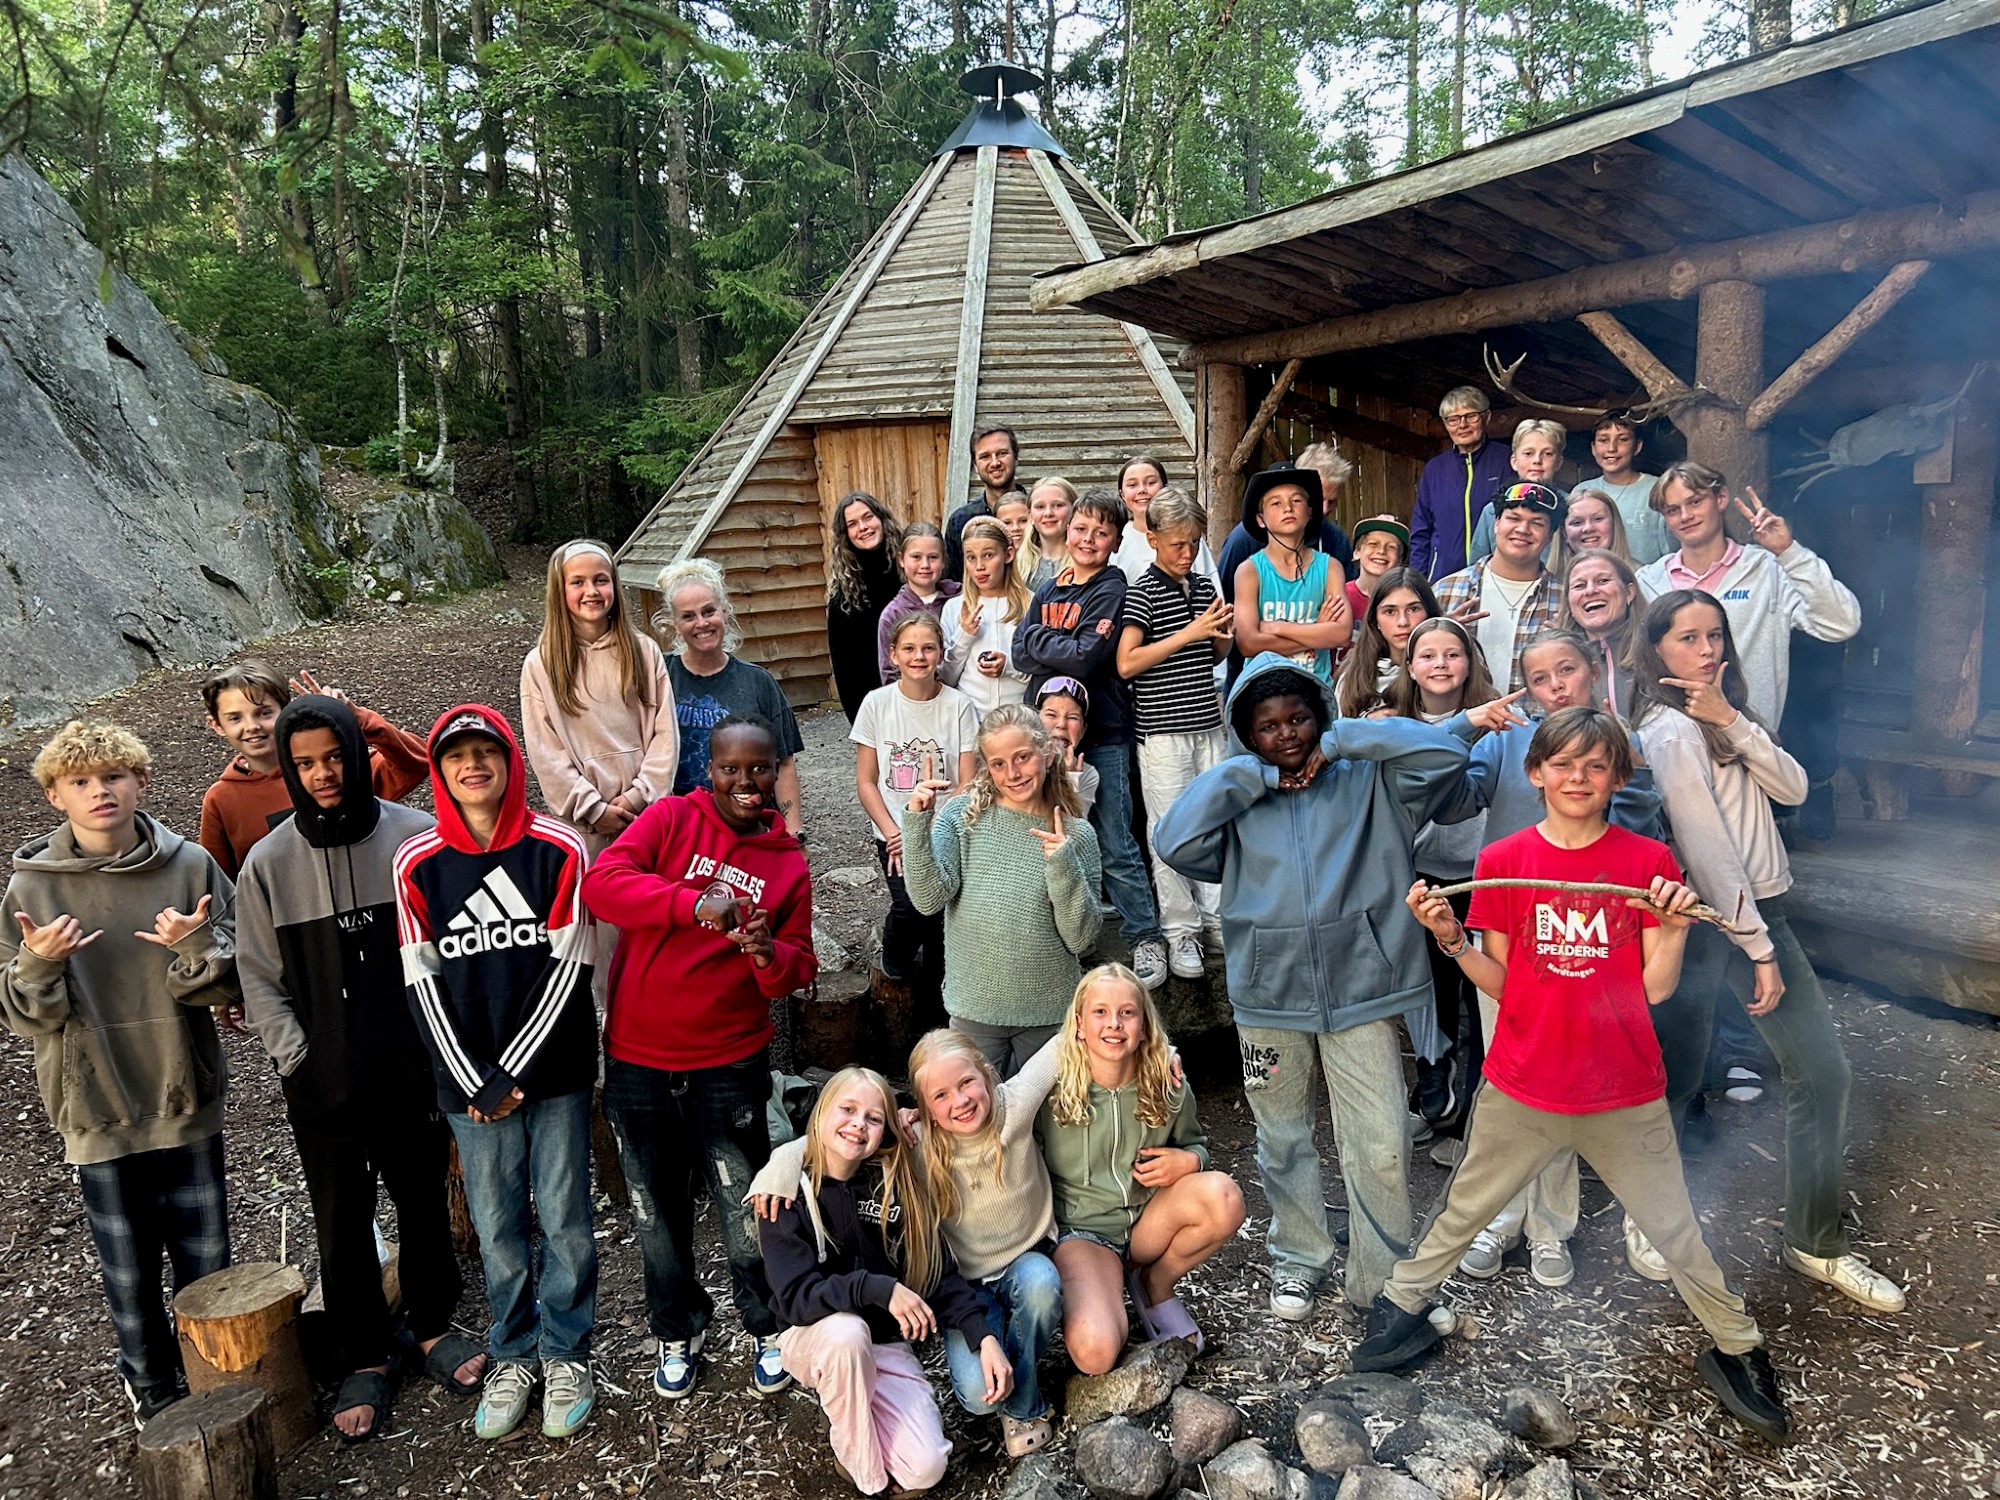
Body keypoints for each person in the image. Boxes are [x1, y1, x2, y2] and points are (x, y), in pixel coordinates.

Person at [1353, 706, 1793, 1447]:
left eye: (1596, 766)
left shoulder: (1646, 864)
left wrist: (1676, 928)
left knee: (1676, 1232)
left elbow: (1654, 990)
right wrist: (1451, 937)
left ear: (1619, 777)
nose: (1578, 778)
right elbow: (1501, 980)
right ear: (1536, 773)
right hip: (1523, 1084)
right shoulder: (1504, 861)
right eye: (1563, 764)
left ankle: (1737, 1347)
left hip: (1621, 1090)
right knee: (1462, 1211)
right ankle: (1398, 1314)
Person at [1153, 657, 1466, 1320]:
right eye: (1267, 727)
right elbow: (1174, 838)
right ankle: (1301, 1258)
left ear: (1320, 714)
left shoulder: (1371, 780)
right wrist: (1251, 775)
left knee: (1379, 1142)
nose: (1287, 735)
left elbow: (1446, 752)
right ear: (1248, 735)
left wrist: (1345, 738)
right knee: (1284, 1136)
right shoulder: (1238, 797)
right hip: (1268, 996)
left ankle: (1383, 1279)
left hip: (1363, 990)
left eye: (1299, 718)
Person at [1628, 592, 1904, 1313]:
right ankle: (1649, 1211)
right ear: (1657, 650)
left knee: (1822, 1072)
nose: (1707, 648)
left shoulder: (1721, 719)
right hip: (1702, 918)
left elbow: (1796, 786)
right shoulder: (1667, 732)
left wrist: (1732, 721)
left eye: (1714, 634)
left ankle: (1814, 1240)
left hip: (1763, 909)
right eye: (1687, 637)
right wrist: (1757, 946)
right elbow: (1709, 850)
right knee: (1676, 1077)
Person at [236, 695, 479, 1441]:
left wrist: (442, 1046)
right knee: (341, 1220)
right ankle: (364, 1351)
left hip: (412, 1071)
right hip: (324, 1086)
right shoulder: (268, 864)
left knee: (421, 1200)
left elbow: (452, 945)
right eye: (304, 763)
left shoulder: (414, 837)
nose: (322, 774)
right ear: (288, 768)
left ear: (353, 750)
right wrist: (298, 1059)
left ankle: (434, 1324)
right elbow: (258, 976)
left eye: (333, 756)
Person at [2, 720, 236, 1427]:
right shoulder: (30, 887)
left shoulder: (190, 866)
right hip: (96, 1105)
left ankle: (216, 1376)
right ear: (54, 796)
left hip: (182, 1091)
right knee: (128, 1269)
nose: (100, 791)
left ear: (142, 781)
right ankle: (150, 1383)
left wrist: (194, 945)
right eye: (81, 781)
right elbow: (21, 1013)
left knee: (208, 1262)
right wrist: (40, 962)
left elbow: (234, 983)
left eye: (113, 776)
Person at [582, 713, 818, 1401]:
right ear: (707, 771)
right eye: (731, 769)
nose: (746, 782)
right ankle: (676, 1328)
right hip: (639, 1057)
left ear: (776, 772)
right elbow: (603, 884)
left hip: (729, 1060)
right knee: (656, 1213)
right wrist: (690, 904)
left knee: (745, 1209)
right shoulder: (670, 821)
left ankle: (765, 1323)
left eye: (759, 769)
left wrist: (768, 955)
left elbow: (796, 967)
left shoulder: (786, 862)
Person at [1429, 629, 1664, 1286]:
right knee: (1507, 1076)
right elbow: (1446, 792)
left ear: (1593, 671)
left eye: (1568, 670)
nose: (1557, 685)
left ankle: (1549, 1227)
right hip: (1509, 927)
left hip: (1588, 936)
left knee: (1564, 1082)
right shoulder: (1506, 742)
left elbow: (1639, 838)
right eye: (1540, 677)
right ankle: (1498, 1217)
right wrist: (1464, 725)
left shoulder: (1619, 747)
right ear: (1525, 689)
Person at [394, 705, 599, 1442]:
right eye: (455, 757)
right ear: (440, 772)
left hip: (557, 1073)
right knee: (497, 1224)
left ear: (510, 763)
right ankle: (512, 1351)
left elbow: (568, 967)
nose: (472, 766)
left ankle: (567, 1350)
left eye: (487, 752)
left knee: (567, 1216)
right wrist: (475, 1077)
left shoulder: (558, 848)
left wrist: (509, 1070)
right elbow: (421, 979)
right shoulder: (417, 861)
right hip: (468, 1084)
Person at [751, 1029, 1065, 1460]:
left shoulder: (1014, 1105)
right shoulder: (914, 1149)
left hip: (1022, 1263)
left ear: (987, 1074)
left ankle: (1025, 1404)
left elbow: (1070, 1040)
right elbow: (843, 1138)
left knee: (1040, 1284)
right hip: (954, 1286)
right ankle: (856, 1413)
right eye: (940, 1095)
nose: (959, 1101)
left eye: (967, 1083)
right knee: (975, 1396)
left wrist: (1164, 1053)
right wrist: (782, 1159)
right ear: (921, 1108)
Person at [755, 1067, 1000, 1496]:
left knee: (927, 1467)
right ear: (820, 1113)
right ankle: (867, 1480)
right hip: (815, 1334)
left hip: (884, 1343)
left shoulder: (891, 1184)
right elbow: (795, 1299)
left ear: (886, 1129)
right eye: (847, 1110)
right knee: (847, 1336)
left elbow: (938, 1272)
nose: (857, 1125)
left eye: (873, 1118)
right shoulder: (784, 1192)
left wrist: (983, 1337)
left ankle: (858, 1405)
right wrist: (876, 1288)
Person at [1036, 965, 1244, 1371]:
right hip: (1085, 1233)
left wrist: (1189, 1161)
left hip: (1149, 1221)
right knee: (1095, 1353)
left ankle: (1155, 1285)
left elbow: (1196, 1145)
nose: (1114, 1024)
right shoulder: (1052, 1089)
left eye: (1127, 1013)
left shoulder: (1166, 1080)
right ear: (1078, 1025)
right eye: (1100, 1012)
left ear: (1145, 1026)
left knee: (1224, 1198)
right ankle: (1105, 1291)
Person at [1013, 489, 1169, 991]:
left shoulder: (1111, 587)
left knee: (1113, 835)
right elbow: (1020, 649)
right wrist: (1052, 644)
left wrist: (1044, 643)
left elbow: (1086, 658)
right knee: (1054, 830)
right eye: (1082, 528)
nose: (1088, 539)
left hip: (1103, 731)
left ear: (1116, 541)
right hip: (1049, 733)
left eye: (1101, 533)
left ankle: (1146, 936)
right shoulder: (1051, 585)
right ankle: (1071, 934)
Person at [901, 705, 1101, 1077]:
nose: (1012, 774)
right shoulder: (962, 816)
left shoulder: (1076, 835)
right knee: (978, 1123)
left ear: (1047, 752)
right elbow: (928, 900)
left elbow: (1081, 940)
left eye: (1022, 757)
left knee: (1048, 1125)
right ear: (986, 767)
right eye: (998, 764)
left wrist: (1063, 865)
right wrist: (916, 824)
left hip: (1050, 1012)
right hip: (974, 1007)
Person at [1382, 617, 1506, 1151]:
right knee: (1429, 995)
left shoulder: (1495, 719)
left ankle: (1477, 1115)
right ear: (1410, 667)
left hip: (1484, 876)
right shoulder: (1391, 721)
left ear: (1470, 662)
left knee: (1481, 999)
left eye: (1452, 654)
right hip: (1422, 878)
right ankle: (1435, 1099)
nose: (1441, 665)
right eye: (1427, 655)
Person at [1635, 462, 1860, 728]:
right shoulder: (1649, 581)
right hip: (1673, 741)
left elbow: (1842, 623)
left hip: (1750, 742)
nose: (1685, 516)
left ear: (1721, 498)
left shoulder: (1767, 570)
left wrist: (1789, 552)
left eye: (1695, 502)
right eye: (1673, 510)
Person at [1117, 487, 1234, 979]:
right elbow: (1127, 663)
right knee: (1168, 829)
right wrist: (1191, 632)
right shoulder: (1142, 590)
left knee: (1216, 824)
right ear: (1152, 538)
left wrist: (1221, 638)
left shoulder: (1205, 588)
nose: (1186, 553)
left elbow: (1213, 658)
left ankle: (1216, 917)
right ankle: (1179, 929)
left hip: (1208, 722)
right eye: (1176, 544)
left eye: (1193, 543)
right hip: (1163, 730)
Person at [520, 540, 678, 859]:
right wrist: (593, 809)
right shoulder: (541, 665)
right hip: (584, 829)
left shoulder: (644, 652)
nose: (591, 590)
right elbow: (546, 753)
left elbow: (666, 736)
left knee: (653, 902)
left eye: (600, 580)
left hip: (647, 818)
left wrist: (638, 796)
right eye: (578, 582)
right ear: (560, 591)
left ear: (614, 587)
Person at [198, 660, 428, 878]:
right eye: (235, 718)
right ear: (216, 724)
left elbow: (418, 761)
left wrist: (355, 719)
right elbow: (219, 884)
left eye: (264, 712)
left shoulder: (340, 771)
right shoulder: (221, 800)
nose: (252, 726)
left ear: (285, 711)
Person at [853, 613, 981, 999]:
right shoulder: (876, 704)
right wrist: (897, 833)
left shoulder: (958, 705)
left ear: (941, 653)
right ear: (893, 654)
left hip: (946, 828)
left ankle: (942, 996)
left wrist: (931, 832)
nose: (919, 656)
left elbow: (968, 781)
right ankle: (894, 954)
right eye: (909, 648)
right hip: (893, 830)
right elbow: (866, 781)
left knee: (942, 916)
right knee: (911, 907)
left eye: (928, 648)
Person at [658, 560, 806, 839]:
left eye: (709, 611)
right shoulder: (660, 675)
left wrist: (793, 833)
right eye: (688, 616)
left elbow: (784, 763)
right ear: (674, 624)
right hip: (681, 828)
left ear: (724, 612)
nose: (701, 623)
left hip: (749, 825)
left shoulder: (758, 682)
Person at [1433, 481, 1565, 695]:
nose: (1523, 529)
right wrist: (1440, 637)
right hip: (1459, 723)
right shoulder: (1445, 591)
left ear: (1550, 536)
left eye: (1537, 523)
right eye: (1513, 518)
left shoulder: (1566, 601)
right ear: (1496, 523)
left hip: (1533, 725)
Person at [1231, 463, 1353, 687]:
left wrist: (1277, 627)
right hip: (1262, 688)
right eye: (1276, 503)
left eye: (1296, 500)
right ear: (1260, 518)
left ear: (1309, 512)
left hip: (1315, 689)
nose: (1288, 507)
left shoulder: (1329, 567)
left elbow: (1341, 633)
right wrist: (1316, 629)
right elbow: (1247, 643)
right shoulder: (1250, 571)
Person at [1215, 443, 1356, 600]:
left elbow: (1345, 601)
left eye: (1332, 502)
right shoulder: (1245, 538)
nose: (1324, 509)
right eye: (1320, 499)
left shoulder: (1335, 539)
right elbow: (1223, 598)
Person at [1409, 386, 1512, 580]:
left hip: (1495, 576)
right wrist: (1418, 583)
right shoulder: (1434, 469)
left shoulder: (1507, 461)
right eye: (1453, 419)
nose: (1462, 425)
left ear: (1486, 417)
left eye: (1471, 416)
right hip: (1442, 577)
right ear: (1446, 425)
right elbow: (1421, 530)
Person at [826, 492, 907, 723]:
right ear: (846, 534)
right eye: (852, 524)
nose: (863, 527)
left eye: (867, 517)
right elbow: (844, 665)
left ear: (881, 518)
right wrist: (860, 720)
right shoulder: (844, 594)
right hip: (876, 703)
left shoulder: (909, 569)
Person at [940, 517, 1031, 714]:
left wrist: (1008, 666)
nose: (979, 566)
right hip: (971, 719)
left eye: (988, 555)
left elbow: (1042, 669)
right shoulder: (954, 608)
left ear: (1008, 555)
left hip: (1020, 718)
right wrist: (964, 636)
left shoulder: (1030, 604)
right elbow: (946, 677)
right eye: (971, 557)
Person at [1336, 566, 1442, 720]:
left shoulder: (1450, 666)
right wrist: (1366, 723)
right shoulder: (1353, 675)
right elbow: (1337, 737)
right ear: (1375, 619)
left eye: (1413, 609)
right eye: (1390, 612)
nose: (1403, 622)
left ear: (1429, 613)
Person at [1468, 418, 1568, 567]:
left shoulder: (1572, 507)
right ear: (1514, 461)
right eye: (1528, 453)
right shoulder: (1492, 510)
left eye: (1547, 454)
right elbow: (1476, 564)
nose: (1537, 460)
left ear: (1559, 462)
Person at [1561, 548, 1644, 717]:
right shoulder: (1556, 663)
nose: (1590, 591)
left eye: (1603, 581)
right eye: (1579, 585)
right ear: (1569, 603)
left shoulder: (1658, 651)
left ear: (1629, 592)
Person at [1578, 412, 1671, 563]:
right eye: (1603, 440)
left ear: (1637, 446)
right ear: (1593, 448)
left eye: (1622, 439)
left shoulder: (1658, 489)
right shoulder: (1582, 492)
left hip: (1647, 582)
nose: (1612, 448)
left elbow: (1672, 548)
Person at [877, 523, 963, 685]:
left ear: (943, 560)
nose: (925, 565)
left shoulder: (960, 598)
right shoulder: (893, 615)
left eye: (933, 557)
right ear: (902, 559)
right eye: (916, 557)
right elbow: (889, 674)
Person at [1111, 455, 1217, 584]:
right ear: (1122, 494)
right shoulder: (1117, 540)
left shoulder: (1188, 536)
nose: (1142, 490)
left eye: (1151, 483)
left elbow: (1212, 586)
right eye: (1132, 485)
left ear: (1164, 487)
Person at [945, 425, 1023, 580]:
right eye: (985, 456)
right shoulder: (960, 521)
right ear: (975, 465)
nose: (995, 463)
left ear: (1016, 458)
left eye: (1002, 453)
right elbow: (954, 582)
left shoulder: (1037, 512)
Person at [1036, 677, 1101, 819]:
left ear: (1083, 730)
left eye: (1072, 717)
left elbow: (1075, 831)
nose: (1061, 724)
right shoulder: (1020, 763)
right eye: (1051, 715)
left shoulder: (1088, 775)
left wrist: (1069, 779)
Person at [1551, 488, 1634, 575]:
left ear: (1614, 525)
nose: (1588, 528)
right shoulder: (1550, 585)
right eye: (1577, 522)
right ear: (1564, 533)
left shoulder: (1642, 579)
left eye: (1598, 519)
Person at [1347, 515, 1409, 621]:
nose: (1381, 551)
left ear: (1400, 560)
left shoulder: (1407, 598)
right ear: (1357, 552)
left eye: (1391, 547)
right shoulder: (1342, 596)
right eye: (1373, 544)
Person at [1020, 476, 1075, 589]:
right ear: (1030, 515)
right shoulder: (1018, 564)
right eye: (1040, 507)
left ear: (1074, 510)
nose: (1048, 513)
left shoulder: (1085, 561)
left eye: (1058, 505)